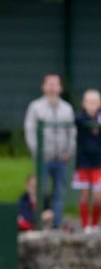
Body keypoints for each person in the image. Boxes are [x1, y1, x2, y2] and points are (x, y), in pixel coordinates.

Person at [25, 74, 76, 228]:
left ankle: (57, 223)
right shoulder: (35, 107)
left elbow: (72, 132)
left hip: (62, 158)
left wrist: (69, 151)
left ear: (60, 88)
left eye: (56, 84)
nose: (53, 87)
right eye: (50, 84)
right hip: (43, 158)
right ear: (44, 87)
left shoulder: (67, 108)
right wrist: (37, 153)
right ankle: (39, 222)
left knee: (59, 192)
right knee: (40, 190)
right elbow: (30, 131)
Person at [73, 88, 101, 232]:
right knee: (84, 194)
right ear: (84, 104)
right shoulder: (80, 118)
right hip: (83, 162)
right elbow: (78, 120)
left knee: (98, 196)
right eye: (89, 102)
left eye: (95, 102)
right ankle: (85, 225)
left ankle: (95, 224)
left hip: (98, 163)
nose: (92, 105)